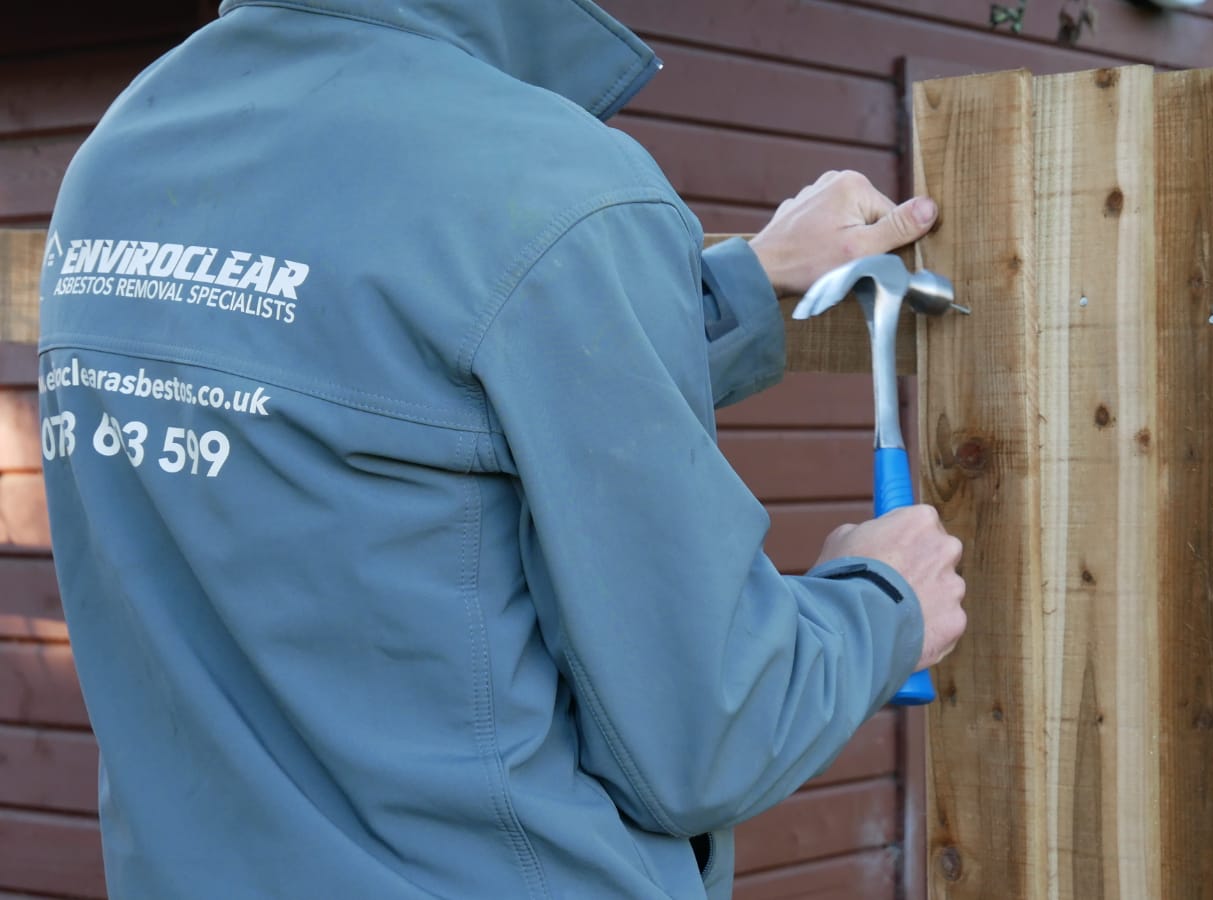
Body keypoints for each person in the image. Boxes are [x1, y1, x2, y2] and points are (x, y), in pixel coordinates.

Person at [36, 0, 968, 897]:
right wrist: (880, 604)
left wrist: (735, 283)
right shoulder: (557, 188)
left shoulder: (123, 152)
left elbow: (379, 384)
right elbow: (710, 731)